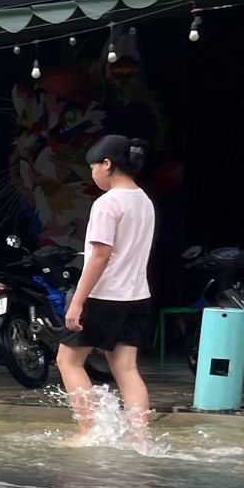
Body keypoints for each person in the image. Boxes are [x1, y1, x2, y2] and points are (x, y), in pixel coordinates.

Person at [58, 133, 157, 449]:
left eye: (92, 168)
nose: (92, 174)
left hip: (103, 297)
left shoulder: (107, 203)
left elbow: (99, 256)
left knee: (68, 361)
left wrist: (76, 302)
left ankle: (89, 431)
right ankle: (141, 439)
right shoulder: (144, 201)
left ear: (107, 164)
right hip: (137, 295)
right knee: (126, 368)